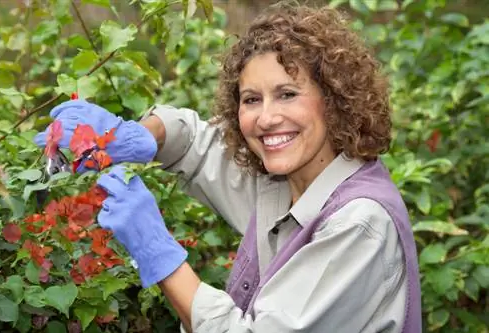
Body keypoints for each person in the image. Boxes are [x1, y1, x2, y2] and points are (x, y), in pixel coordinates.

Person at [34, 3, 422, 332]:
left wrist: (158, 252)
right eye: (251, 99)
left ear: (335, 100)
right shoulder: (285, 180)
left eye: (287, 94)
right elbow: (196, 145)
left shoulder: (358, 225)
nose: (267, 118)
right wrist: (137, 136)